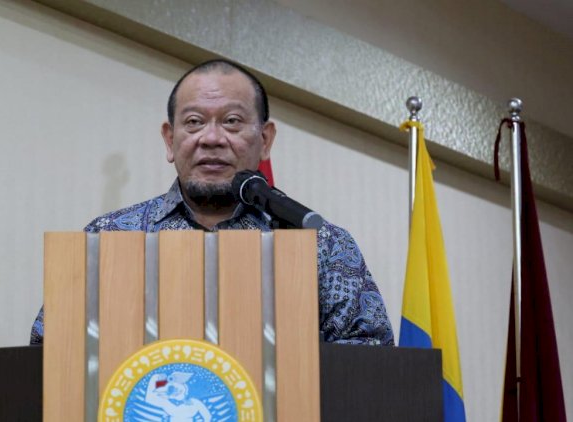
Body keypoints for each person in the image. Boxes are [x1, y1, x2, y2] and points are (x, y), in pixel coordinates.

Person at [30, 59, 394, 345]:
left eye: (232, 121)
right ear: (170, 140)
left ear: (265, 140)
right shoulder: (109, 237)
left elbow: (369, 362)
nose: (212, 138)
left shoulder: (321, 244)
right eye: (194, 122)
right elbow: (51, 353)